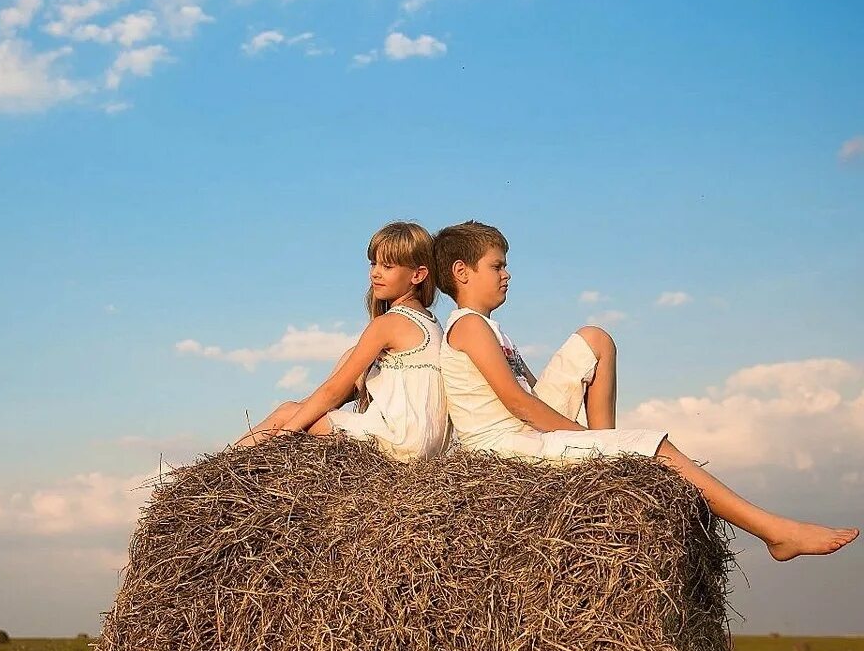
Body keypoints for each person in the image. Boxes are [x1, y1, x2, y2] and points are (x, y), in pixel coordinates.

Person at [433, 220, 858, 561]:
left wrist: (592, 438)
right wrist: (590, 441)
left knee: (594, 339)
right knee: (655, 446)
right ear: (461, 272)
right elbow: (518, 402)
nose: (507, 274)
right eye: (497, 265)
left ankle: (609, 459)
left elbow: (527, 392)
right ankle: (775, 532)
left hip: (521, 428)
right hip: (503, 445)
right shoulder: (468, 325)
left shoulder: (488, 326)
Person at [233, 221, 450, 462]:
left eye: (387, 266)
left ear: (418, 275)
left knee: (286, 412)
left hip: (398, 443)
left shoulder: (389, 323)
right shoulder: (430, 321)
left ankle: (227, 466)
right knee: (342, 363)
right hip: (424, 442)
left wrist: (284, 434)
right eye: (373, 263)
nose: (375, 273)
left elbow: (333, 391)